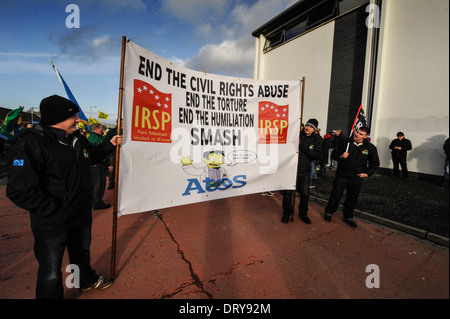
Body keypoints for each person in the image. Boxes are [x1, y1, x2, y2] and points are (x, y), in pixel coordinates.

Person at [6, 95, 122, 299]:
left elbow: (92, 156)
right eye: (74, 116)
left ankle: (85, 280)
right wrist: (54, 208)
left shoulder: (77, 138)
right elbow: (19, 190)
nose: (78, 119)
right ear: (58, 119)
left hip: (80, 215)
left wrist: (110, 143)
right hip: (52, 221)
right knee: (51, 271)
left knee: (81, 253)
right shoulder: (30, 144)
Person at [324, 126, 379, 228]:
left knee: (352, 198)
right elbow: (334, 154)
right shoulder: (345, 142)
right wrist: (341, 156)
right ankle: (329, 212)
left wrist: (367, 173)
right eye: (357, 132)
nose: (357, 134)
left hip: (356, 177)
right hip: (342, 174)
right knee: (336, 194)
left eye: (360, 134)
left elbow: (375, 163)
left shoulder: (370, 148)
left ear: (366, 136)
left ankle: (348, 217)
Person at [281, 119, 322, 224]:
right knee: (287, 194)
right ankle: (286, 212)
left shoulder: (317, 139)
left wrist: (304, 148)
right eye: (307, 125)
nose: (307, 128)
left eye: (311, 127)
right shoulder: (297, 135)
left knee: (305, 194)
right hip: (291, 169)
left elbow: (317, 155)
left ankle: (303, 213)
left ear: (314, 130)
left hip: (304, 171)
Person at [88, 123, 112, 210]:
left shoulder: (88, 135)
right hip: (97, 164)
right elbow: (104, 147)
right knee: (99, 183)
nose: (102, 131)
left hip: (91, 164)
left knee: (93, 184)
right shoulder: (96, 137)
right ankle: (97, 202)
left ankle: (94, 201)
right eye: (101, 130)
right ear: (98, 129)